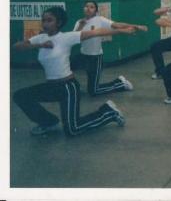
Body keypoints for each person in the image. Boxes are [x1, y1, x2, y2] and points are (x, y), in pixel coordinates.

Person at [12, 7, 133, 136]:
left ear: (58, 23)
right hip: (51, 86)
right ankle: (48, 122)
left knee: (72, 129)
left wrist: (121, 30)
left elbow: (97, 32)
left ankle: (108, 112)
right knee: (20, 95)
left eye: (49, 20)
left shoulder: (66, 37)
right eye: (43, 20)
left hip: (68, 87)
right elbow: (17, 47)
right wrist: (40, 45)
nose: (45, 24)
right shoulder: (41, 38)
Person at [74, 1, 147, 96]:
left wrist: (135, 26)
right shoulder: (79, 22)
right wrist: (81, 25)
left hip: (95, 58)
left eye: (91, 7)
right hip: (83, 56)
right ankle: (74, 87)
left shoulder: (99, 20)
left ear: (95, 11)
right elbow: (75, 38)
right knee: (69, 69)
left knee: (93, 91)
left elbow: (117, 25)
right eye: (86, 6)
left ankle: (120, 84)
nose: (88, 8)